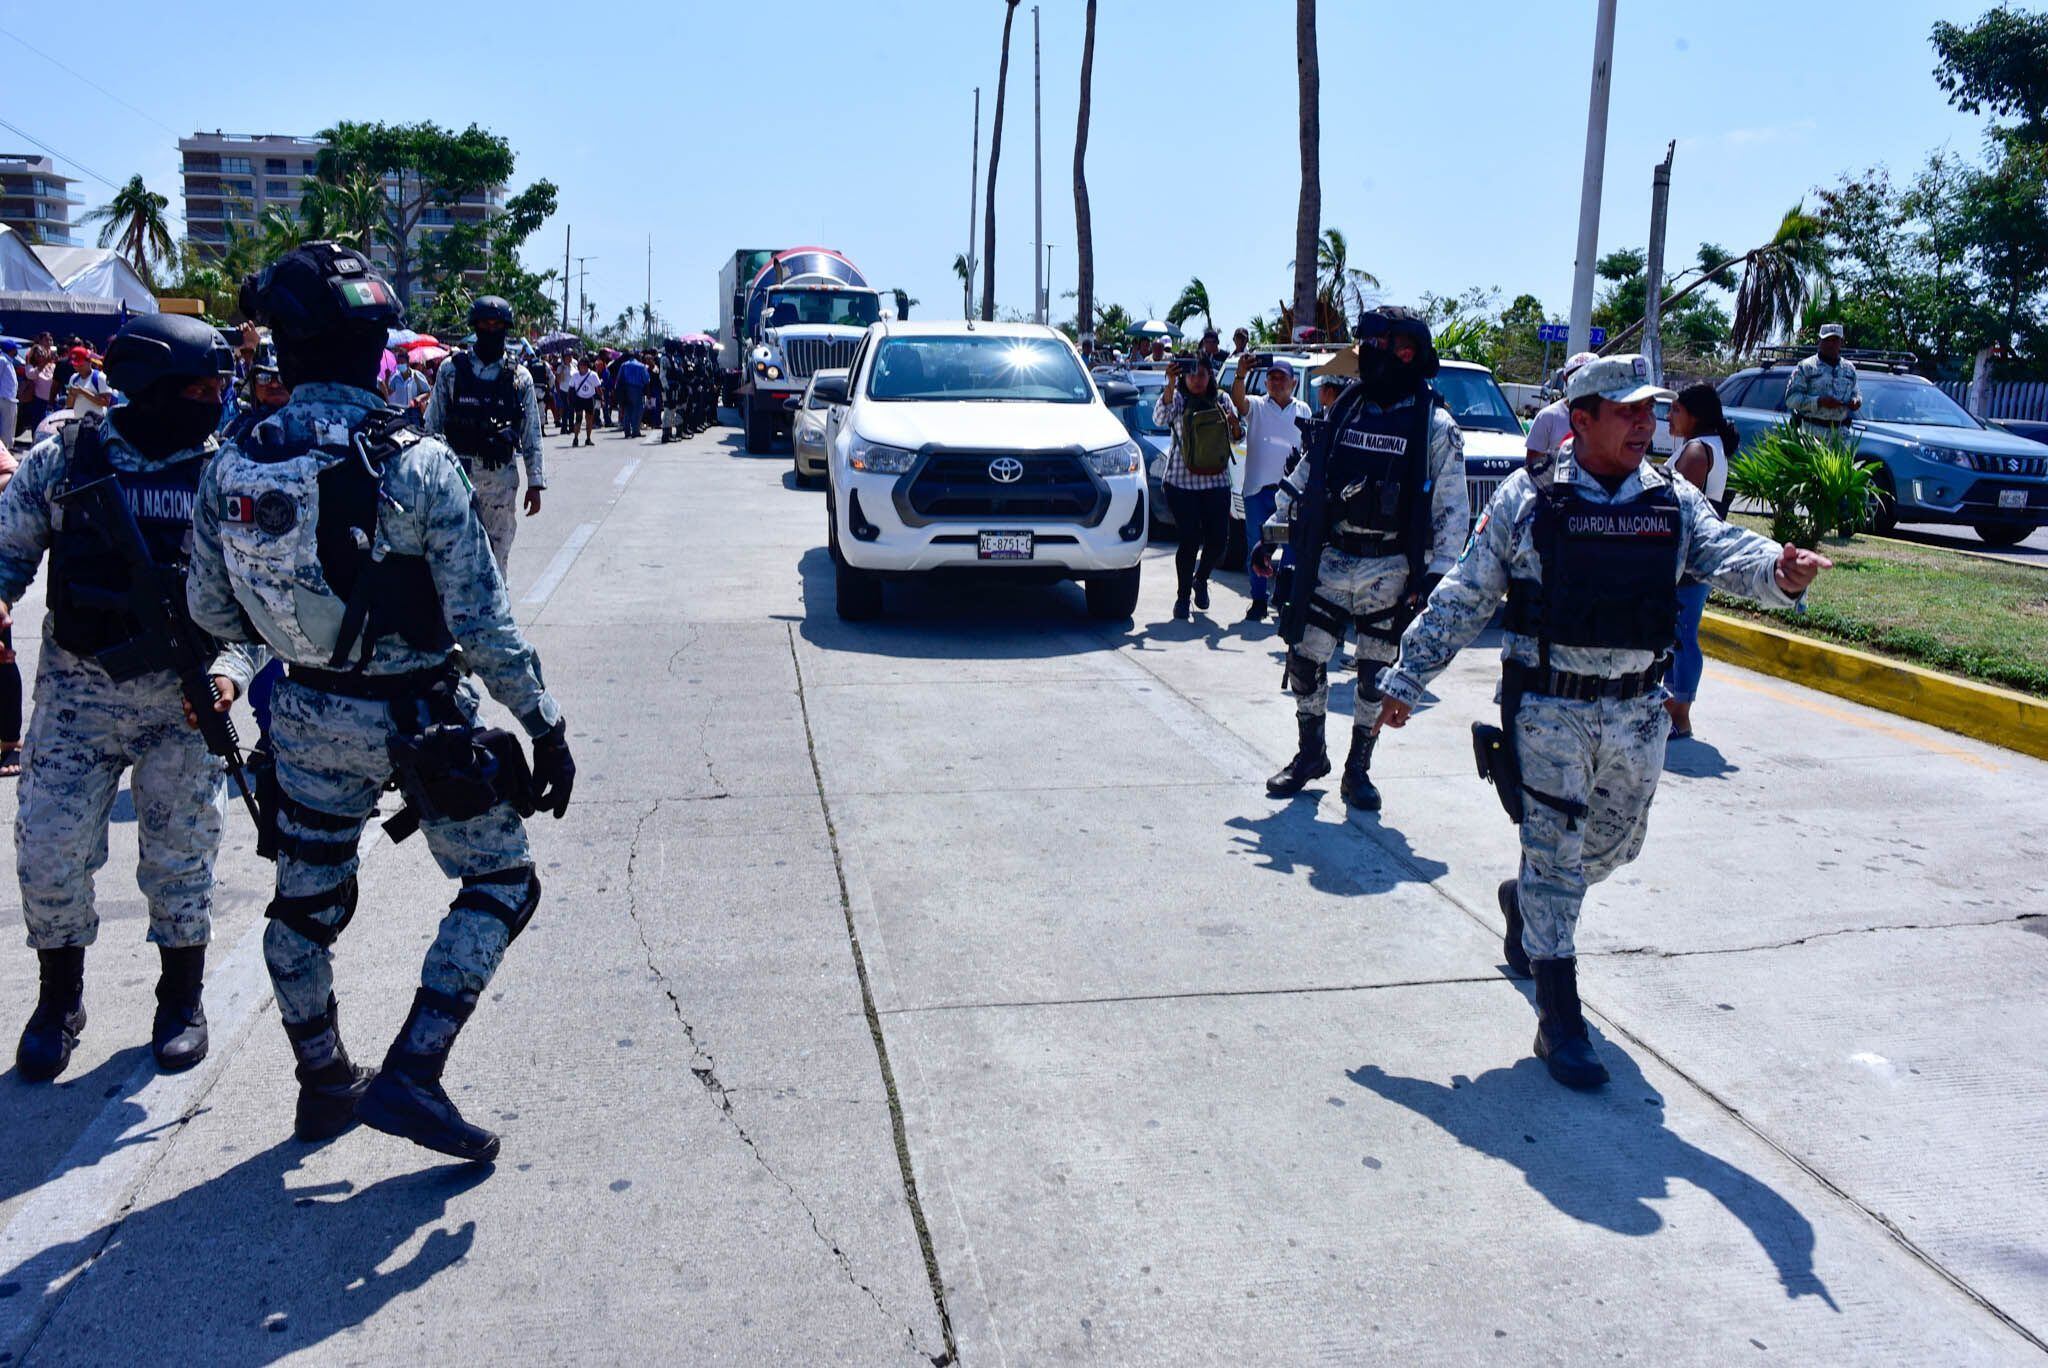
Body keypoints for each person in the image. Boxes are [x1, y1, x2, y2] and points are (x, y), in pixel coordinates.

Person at [189, 241, 576, 1158]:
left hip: (305, 724)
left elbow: (209, 608)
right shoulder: (419, 461)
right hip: (419, 721)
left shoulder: (234, 459)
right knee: (502, 883)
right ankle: (413, 1072)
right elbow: (484, 625)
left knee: (305, 906)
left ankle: (323, 1080)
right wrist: (545, 725)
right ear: (375, 346)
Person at [1374, 354, 1831, 1089]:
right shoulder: (1530, 499)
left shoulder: (1670, 499)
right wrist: (1407, 675)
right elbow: (1465, 593)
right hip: (1549, 707)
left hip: (1638, 713)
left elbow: (1724, 549)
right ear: (1580, 419)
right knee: (1556, 855)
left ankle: (1526, 902)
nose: (1644, 424)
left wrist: (1780, 571)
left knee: (1616, 848)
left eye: (1649, 410)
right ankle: (1560, 1019)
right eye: (1626, 411)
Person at [0, 314, 253, 1082]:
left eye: (220, 386)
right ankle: (59, 1002)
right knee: (48, 852)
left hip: (184, 702)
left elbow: (261, 600)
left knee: (181, 856)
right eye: (197, 388)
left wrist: (231, 672)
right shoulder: (64, 460)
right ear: (146, 387)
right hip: (77, 694)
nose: (213, 400)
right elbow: (9, 555)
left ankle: (181, 999)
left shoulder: (228, 470)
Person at [1259, 307, 1467, 811]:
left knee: (1374, 678)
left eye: (1374, 345)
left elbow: (1452, 510)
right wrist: (1271, 533)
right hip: (1331, 558)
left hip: (1390, 568)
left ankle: (1358, 770)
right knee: (1304, 660)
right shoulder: (1347, 409)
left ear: (1406, 352)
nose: (1364, 356)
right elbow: (1308, 472)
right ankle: (1312, 755)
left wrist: (1436, 577)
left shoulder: (1434, 426)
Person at [424, 297, 545, 578]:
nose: (491, 329)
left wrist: (535, 482)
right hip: (456, 482)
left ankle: (495, 620)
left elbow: (531, 435)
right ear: (475, 326)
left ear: (506, 328)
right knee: (455, 562)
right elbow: (432, 428)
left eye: (497, 324)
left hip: (500, 485)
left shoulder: (520, 377)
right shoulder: (451, 371)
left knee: (496, 561)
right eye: (484, 324)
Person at [1663, 384, 1738, 741]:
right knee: (1678, 633)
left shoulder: (1696, 450)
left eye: (1675, 410)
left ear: (1695, 415)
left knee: (1682, 636)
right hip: (1696, 556)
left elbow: (1681, 508)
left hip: (1687, 557)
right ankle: (1673, 708)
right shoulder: (1710, 446)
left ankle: (1680, 713)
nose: (1668, 417)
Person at [1151, 356, 1242, 619]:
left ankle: (1200, 579)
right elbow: (1159, 417)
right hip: (1181, 482)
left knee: (1218, 541)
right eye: (1191, 375)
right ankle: (1182, 598)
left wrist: (1233, 422)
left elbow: (1239, 436)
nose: (1196, 380)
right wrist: (1169, 384)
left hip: (1216, 481)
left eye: (1202, 374)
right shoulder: (1178, 399)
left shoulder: (1222, 399)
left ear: (1210, 377)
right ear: (1183, 377)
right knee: (1189, 540)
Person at [1230, 355, 1311, 623]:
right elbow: (1239, 402)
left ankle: (1284, 599)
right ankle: (1258, 600)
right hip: (1257, 491)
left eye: (1282, 378)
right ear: (1265, 382)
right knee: (1257, 547)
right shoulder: (1257, 405)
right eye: (1272, 378)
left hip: (1290, 494)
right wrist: (1240, 375)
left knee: (1291, 549)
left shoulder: (1304, 410)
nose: (1277, 383)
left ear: (1294, 383)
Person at [1785, 322, 1860, 432]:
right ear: (1819, 341)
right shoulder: (1806, 367)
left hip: (1840, 436)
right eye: (1826, 340)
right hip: (1811, 433)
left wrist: (1856, 401)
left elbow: (1856, 393)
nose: (1830, 344)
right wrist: (1819, 402)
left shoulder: (1849, 369)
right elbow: (1791, 399)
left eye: (1835, 340)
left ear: (1841, 343)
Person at [1524, 351, 1598, 463]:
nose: (1583, 381)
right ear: (1565, 379)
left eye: (1589, 375)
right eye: (1576, 376)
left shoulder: (1610, 417)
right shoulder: (1548, 417)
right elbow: (1532, 467)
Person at [66, 348, 114, 415]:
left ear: (89, 361)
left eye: (81, 365)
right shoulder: (74, 378)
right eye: (75, 365)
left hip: (96, 422)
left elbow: (105, 402)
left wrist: (82, 391)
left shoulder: (100, 377)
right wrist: (71, 394)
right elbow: (69, 405)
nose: (78, 368)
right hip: (78, 421)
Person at [617, 350, 650, 439]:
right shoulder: (641, 366)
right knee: (638, 410)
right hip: (637, 389)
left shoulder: (624, 365)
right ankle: (636, 431)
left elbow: (619, 378)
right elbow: (646, 380)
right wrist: (648, 393)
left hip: (625, 389)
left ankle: (627, 431)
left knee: (627, 410)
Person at [571, 357, 602, 446]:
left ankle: (588, 439)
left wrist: (601, 398)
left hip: (589, 398)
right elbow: (571, 388)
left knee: (589, 420)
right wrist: (570, 400)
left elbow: (598, 388)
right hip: (579, 399)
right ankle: (575, 438)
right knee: (578, 419)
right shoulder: (575, 375)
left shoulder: (593, 375)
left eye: (584, 365)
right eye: (580, 365)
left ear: (587, 366)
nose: (582, 367)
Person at [0, 338, 19, 450]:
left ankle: (6, 449)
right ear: (10, 349)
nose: (16, 351)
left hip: (9, 399)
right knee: (6, 427)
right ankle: (3, 451)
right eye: (15, 348)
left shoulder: (8, 360)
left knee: (9, 426)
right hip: (4, 398)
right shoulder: (2, 360)